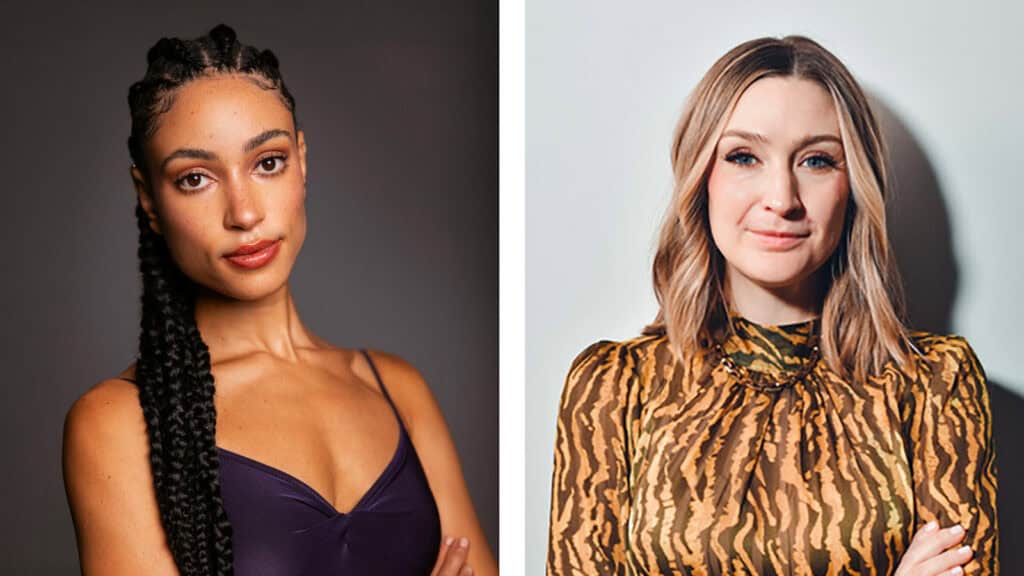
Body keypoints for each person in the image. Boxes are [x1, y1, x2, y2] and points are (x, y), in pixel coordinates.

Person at [546, 36, 997, 575]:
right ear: (701, 178)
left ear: (853, 186)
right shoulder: (613, 386)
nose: (782, 197)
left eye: (816, 160)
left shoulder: (935, 384)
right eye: (743, 157)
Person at [61, 24, 496, 576]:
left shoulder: (397, 389)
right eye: (196, 178)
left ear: (303, 162)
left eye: (268, 162)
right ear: (149, 199)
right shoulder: (115, 424)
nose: (244, 213)